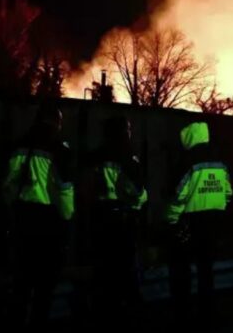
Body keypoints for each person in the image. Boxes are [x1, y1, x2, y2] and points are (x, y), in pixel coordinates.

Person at [1, 101, 74, 330]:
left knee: (21, 284)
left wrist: (14, 207)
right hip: (49, 223)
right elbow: (64, 189)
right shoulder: (59, 150)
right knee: (45, 287)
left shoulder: (21, 145)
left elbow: (9, 186)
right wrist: (67, 217)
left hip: (23, 220)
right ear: (56, 123)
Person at [166, 121, 233, 322]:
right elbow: (228, 193)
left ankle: (183, 314)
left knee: (181, 271)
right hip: (213, 223)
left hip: (189, 223)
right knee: (206, 270)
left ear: (188, 138)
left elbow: (178, 196)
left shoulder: (187, 162)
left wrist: (170, 221)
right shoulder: (220, 164)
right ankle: (208, 313)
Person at [89, 115, 147, 316]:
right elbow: (137, 193)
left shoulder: (95, 156)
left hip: (98, 222)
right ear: (124, 132)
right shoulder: (128, 158)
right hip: (123, 224)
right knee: (128, 275)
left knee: (103, 274)